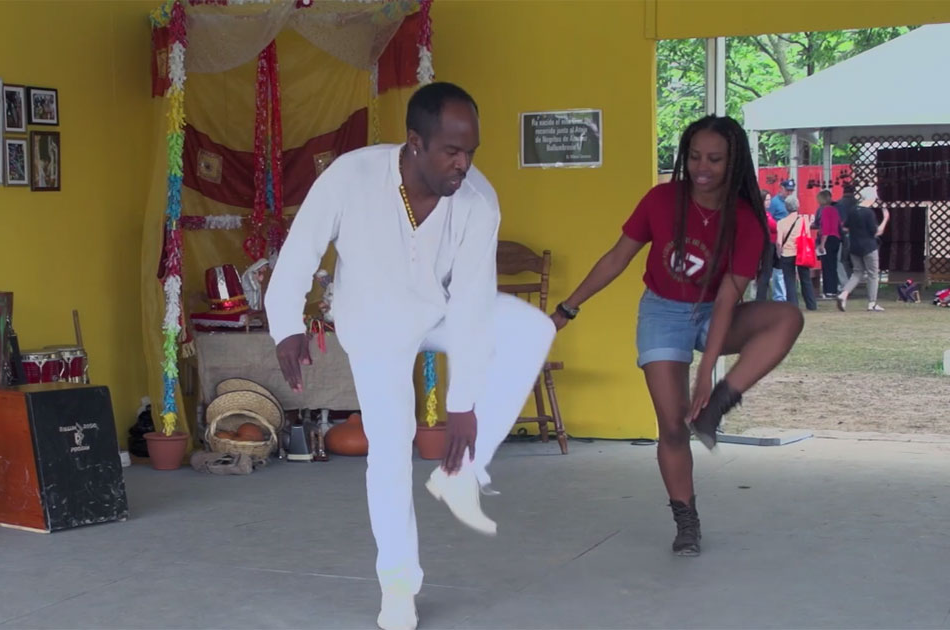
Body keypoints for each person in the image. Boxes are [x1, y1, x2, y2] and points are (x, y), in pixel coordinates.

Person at [264, 82, 556, 630]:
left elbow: (471, 304)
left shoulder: (477, 202)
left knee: (530, 329)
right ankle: (398, 588)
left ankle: (460, 472)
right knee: (390, 454)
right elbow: (301, 249)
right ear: (414, 142)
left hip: (439, 310)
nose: (463, 165)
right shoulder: (351, 177)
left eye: (471, 151)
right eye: (451, 151)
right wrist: (285, 327)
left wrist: (462, 404)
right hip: (374, 324)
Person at [549, 115, 803, 556]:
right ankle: (686, 520)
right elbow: (616, 258)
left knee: (788, 318)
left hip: (713, 311)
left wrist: (708, 376)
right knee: (671, 426)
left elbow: (727, 299)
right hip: (663, 311)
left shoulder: (745, 220)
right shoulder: (662, 200)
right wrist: (567, 308)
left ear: (733, 162)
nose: (702, 167)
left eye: (715, 159)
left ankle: (721, 403)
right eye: (695, 156)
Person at [836, 187, 886, 312]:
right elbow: (877, 232)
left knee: (857, 273)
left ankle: (843, 294)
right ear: (871, 197)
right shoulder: (869, 213)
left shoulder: (853, 210)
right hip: (869, 247)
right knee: (872, 274)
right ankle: (872, 303)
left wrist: (856, 230)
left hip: (854, 246)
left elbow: (845, 227)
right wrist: (886, 219)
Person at [776, 196, 818, 310]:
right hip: (801, 253)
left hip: (787, 253)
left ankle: (793, 305)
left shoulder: (781, 223)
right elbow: (808, 237)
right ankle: (811, 304)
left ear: (786, 208)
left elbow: (779, 242)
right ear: (798, 206)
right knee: (805, 279)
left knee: (789, 280)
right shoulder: (804, 221)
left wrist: (779, 253)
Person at [815, 189, 843, 297]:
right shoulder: (834, 210)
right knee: (833, 266)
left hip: (828, 240)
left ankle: (828, 291)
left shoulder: (825, 210)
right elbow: (838, 225)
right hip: (836, 239)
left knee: (826, 266)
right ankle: (833, 289)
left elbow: (826, 228)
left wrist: (822, 244)